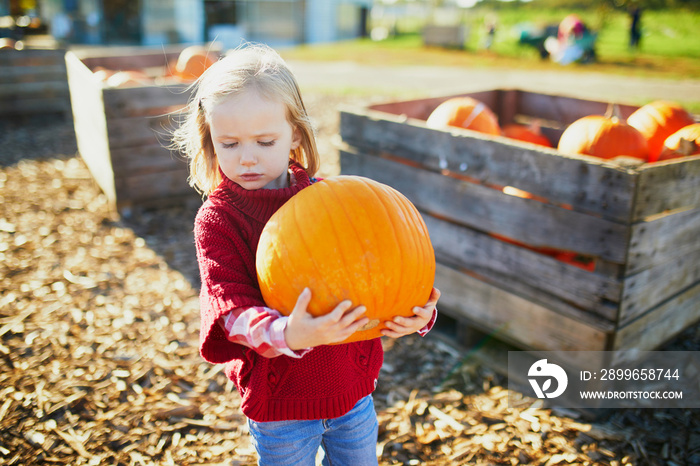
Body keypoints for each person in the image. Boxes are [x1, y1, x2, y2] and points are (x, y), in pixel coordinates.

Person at [171, 43, 441, 466]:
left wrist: (419, 314)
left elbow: (382, 268)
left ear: (294, 133)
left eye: (264, 141)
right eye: (229, 143)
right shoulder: (218, 220)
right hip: (282, 408)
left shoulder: (329, 201)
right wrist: (287, 335)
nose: (246, 157)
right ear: (210, 139)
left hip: (352, 394)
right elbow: (230, 311)